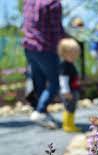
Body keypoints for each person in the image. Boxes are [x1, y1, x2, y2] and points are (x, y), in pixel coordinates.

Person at [23, 0, 66, 128]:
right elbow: (56, 29)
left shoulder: (29, 1)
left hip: (29, 46)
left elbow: (25, 23)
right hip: (45, 48)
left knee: (39, 82)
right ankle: (40, 111)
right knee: (55, 82)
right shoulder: (52, 3)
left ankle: (43, 113)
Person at [58, 38, 81, 132]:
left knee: (72, 107)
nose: (75, 55)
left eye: (76, 53)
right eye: (72, 53)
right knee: (68, 108)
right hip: (68, 91)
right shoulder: (65, 65)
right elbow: (63, 79)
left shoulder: (70, 64)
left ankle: (71, 124)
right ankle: (67, 125)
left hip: (73, 90)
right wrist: (65, 91)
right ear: (64, 53)